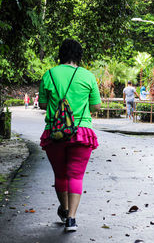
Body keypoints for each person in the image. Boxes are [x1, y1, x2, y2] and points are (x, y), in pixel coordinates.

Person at [38, 39, 101, 232]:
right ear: (79, 56)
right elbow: (96, 106)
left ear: (61, 54)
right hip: (81, 132)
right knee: (76, 175)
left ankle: (64, 210)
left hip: (55, 132)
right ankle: (71, 219)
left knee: (60, 175)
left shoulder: (49, 74)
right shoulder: (88, 76)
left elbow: (42, 104)